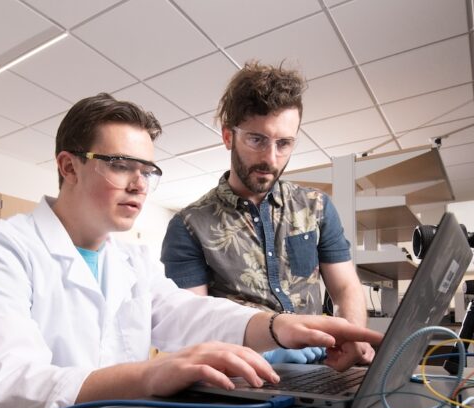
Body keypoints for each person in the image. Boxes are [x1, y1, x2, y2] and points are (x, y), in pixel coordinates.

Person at [0, 93, 382, 408]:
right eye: (120, 165)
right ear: (68, 167)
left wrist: (275, 326)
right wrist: (149, 375)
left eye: (147, 170)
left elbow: (185, 313)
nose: (139, 185)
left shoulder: (130, 259)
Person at [161, 61, 375, 366]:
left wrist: (353, 336)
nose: (270, 159)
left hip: (325, 367)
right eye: (256, 140)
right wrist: (270, 350)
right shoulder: (189, 226)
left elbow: (345, 287)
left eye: (284, 143)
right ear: (227, 137)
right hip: (246, 374)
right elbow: (189, 324)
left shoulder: (317, 207)